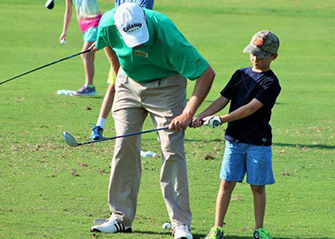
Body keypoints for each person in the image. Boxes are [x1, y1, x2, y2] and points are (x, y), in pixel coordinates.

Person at [89, 3, 216, 239]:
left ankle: (180, 224)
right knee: (123, 146)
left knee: (171, 148)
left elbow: (206, 74)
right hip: (128, 84)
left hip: (166, 86)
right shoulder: (107, 23)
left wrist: (187, 113)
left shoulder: (166, 31)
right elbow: (107, 44)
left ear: (146, 22)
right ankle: (120, 218)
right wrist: (119, 76)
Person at [191, 30, 281, 239]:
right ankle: (217, 228)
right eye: (253, 53)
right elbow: (223, 99)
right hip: (235, 141)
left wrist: (220, 119)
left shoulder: (271, 83)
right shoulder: (240, 74)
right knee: (226, 184)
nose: (255, 58)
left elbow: (251, 108)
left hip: (259, 142)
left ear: (274, 56)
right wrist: (201, 117)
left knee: (258, 187)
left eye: (262, 54)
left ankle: (259, 229)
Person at [90, 0, 154, 140]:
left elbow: (141, 21)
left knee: (144, 89)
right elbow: (114, 17)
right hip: (118, 47)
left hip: (136, 47)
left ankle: (160, 129)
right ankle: (99, 126)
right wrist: (103, 40)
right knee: (114, 85)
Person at [60, 0, 102, 96]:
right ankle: (89, 86)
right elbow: (68, 12)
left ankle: (89, 86)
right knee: (89, 56)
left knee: (85, 53)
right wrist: (64, 31)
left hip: (95, 22)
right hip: (84, 25)